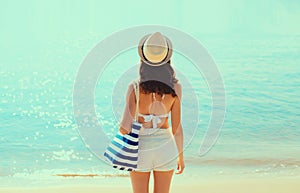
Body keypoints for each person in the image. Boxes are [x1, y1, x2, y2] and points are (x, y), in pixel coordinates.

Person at [119, 32, 184, 193]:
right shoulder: (176, 88)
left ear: (143, 60)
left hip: (141, 148)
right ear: (167, 59)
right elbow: (176, 128)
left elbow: (124, 128)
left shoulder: (134, 87)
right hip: (166, 148)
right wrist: (180, 156)